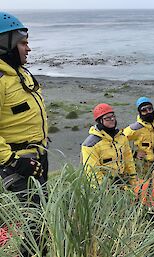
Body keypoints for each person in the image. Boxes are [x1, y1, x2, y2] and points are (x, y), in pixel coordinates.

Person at [0, 12, 48, 256]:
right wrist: (12, 161)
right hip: (17, 162)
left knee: (43, 218)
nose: (28, 48)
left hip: (37, 156)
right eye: (23, 42)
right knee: (35, 220)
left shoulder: (20, 73)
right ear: (4, 43)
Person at [81, 103, 137, 186]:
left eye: (113, 116)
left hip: (123, 182)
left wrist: (133, 180)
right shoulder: (90, 145)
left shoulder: (121, 137)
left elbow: (128, 159)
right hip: (106, 187)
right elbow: (92, 172)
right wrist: (104, 190)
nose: (112, 119)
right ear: (100, 121)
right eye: (107, 118)